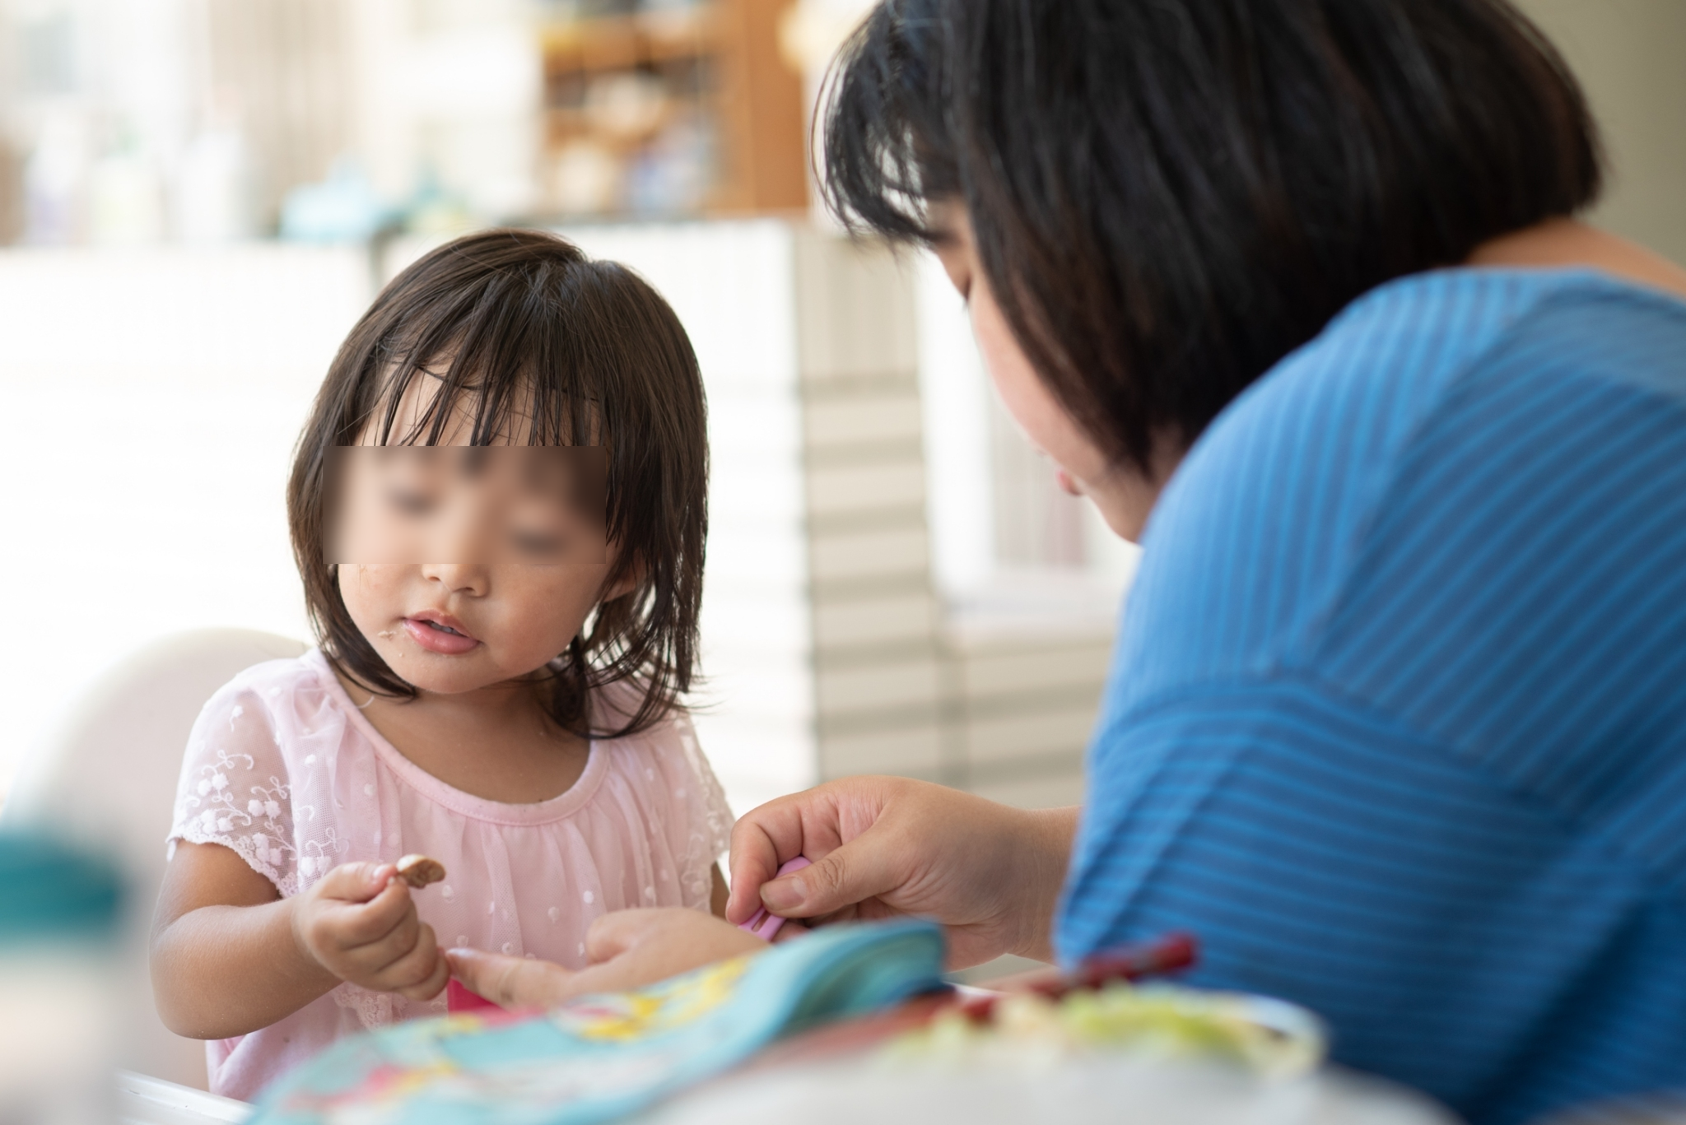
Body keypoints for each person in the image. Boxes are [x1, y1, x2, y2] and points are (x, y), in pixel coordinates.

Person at [449, 2, 1686, 1122]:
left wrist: (772, 1020)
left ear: (1098, 201)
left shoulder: (1353, 464)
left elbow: (1179, 1101)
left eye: (970, 273)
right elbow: (1496, 888)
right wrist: (1044, 872)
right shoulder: (1618, 351)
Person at [149, 230, 733, 1101]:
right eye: (414, 492)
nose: (455, 564)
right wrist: (303, 938)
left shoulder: (643, 747)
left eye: (533, 526)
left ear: (627, 561)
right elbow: (180, 980)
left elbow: (718, 974)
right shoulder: (276, 729)